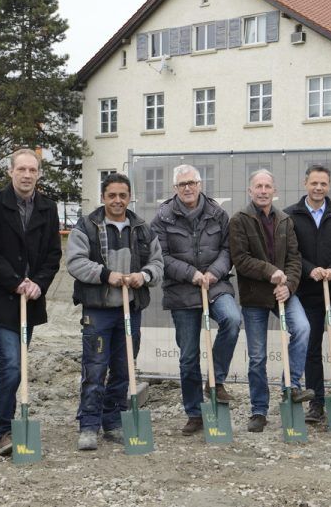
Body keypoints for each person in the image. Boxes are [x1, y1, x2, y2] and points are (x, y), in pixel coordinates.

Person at [0, 148, 62, 456]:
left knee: (19, 364)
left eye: (32, 170)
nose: (27, 175)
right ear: (11, 172)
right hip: (2, 297)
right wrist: (15, 282)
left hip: (32, 298)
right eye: (21, 169)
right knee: (11, 363)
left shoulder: (48, 208)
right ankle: (2, 430)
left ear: (39, 174)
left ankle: (8, 423)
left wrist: (39, 283)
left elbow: (53, 253)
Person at [67, 172, 164, 451]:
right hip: (98, 311)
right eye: (112, 195)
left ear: (129, 197)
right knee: (95, 369)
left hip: (130, 309)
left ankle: (113, 422)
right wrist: (105, 275)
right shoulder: (86, 227)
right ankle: (88, 425)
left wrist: (143, 276)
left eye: (123, 195)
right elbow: (74, 262)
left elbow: (158, 264)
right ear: (103, 197)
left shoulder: (143, 229)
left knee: (123, 369)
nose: (117, 200)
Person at [151, 164, 241, 436]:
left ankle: (216, 378)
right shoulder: (163, 218)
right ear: (175, 189)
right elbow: (161, 257)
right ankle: (194, 412)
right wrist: (192, 274)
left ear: (200, 184)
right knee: (188, 357)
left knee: (233, 320)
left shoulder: (217, 214)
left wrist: (214, 273)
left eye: (192, 182)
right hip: (182, 290)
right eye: (182, 184)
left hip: (215, 285)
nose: (188, 188)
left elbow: (228, 249)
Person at [229, 169, 314, 433]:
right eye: (258, 186)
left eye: (267, 186)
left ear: (274, 190)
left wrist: (287, 285)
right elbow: (240, 260)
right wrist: (270, 272)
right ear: (250, 191)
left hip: (283, 293)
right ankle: (258, 410)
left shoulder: (285, 220)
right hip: (255, 295)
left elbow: (294, 258)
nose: (263, 191)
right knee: (257, 356)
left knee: (302, 328)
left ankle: (292, 387)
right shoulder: (239, 220)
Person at [284, 164, 331, 424]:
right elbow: (290, 253)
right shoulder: (290, 216)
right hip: (308, 287)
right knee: (312, 345)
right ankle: (316, 403)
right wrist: (310, 270)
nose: (318, 188)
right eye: (314, 183)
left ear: (329, 186)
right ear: (305, 183)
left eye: (323, 184)